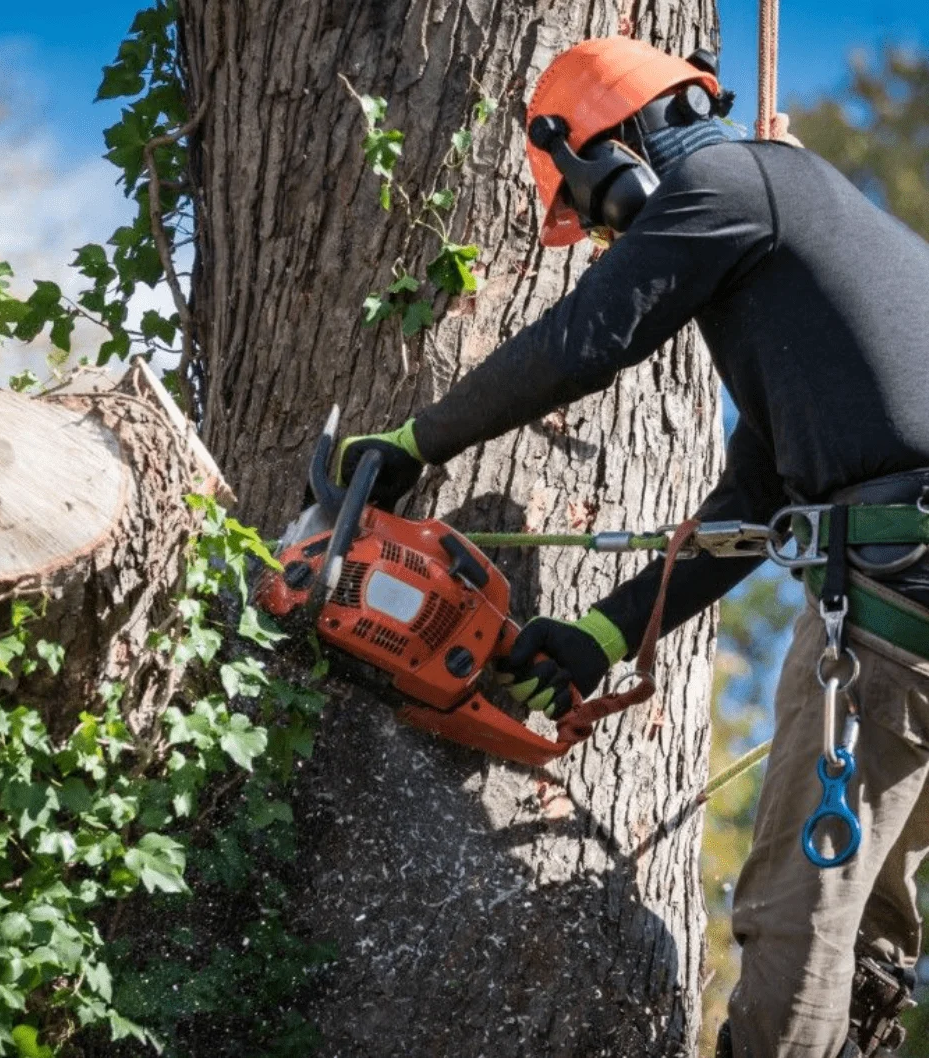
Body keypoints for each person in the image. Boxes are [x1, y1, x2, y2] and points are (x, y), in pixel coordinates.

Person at [336, 36, 929, 1058]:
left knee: (796, 919)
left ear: (618, 153)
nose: (610, 244)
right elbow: (754, 500)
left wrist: (411, 442)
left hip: (892, 600)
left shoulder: (736, 180)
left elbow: (587, 341)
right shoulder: (801, 246)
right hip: (907, 595)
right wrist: (602, 634)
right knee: (866, 924)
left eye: (596, 216)